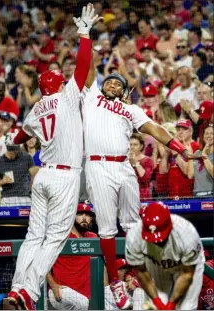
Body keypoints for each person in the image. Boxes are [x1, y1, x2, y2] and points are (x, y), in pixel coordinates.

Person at [81, 54, 194, 309]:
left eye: (117, 84)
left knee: (133, 224)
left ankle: (142, 273)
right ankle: (116, 284)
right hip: (98, 165)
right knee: (107, 229)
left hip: (124, 165)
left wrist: (180, 148)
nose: (111, 85)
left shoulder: (130, 109)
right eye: (108, 82)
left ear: (124, 92)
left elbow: (155, 129)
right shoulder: (92, 98)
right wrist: (86, 38)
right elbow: (87, 72)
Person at [6, 4, 99, 310]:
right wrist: (84, 35)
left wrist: (12, 139)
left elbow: (20, 137)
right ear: (58, 85)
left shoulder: (35, 109)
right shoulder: (66, 97)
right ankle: (28, 294)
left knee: (34, 236)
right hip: (63, 177)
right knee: (54, 240)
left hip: (43, 175)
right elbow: (83, 69)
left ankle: (15, 288)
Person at [125, 202, 205, 310]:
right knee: (153, 307)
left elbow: (187, 274)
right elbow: (142, 272)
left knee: (186, 307)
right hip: (156, 264)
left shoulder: (187, 234)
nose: (157, 241)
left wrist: (171, 304)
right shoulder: (134, 237)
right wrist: (157, 302)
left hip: (185, 266)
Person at [47, 203, 97, 310]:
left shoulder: (93, 237)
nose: (84, 218)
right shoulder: (61, 236)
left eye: (87, 215)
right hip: (61, 290)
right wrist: (53, 285)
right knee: (83, 303)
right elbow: (42, 263)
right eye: (80, 214)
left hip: (84, 294)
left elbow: (102, 266)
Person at [187, 124, 214, 197]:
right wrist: (190, 156)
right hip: (196, 194)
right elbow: (190, 175)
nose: (209, 136)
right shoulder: (197, 153)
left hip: (211, 195)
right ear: (203, 137)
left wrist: (204, 156)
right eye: (206, 133)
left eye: (212, 133)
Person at [129, 133, 154, 200]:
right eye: (130, 144)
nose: (132, 147)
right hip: (128, 194)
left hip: (142, 197)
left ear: (141, 146)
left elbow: (145, 179)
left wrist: (136, 162)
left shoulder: (148, 160)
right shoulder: (124, 161)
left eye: (135, 144)